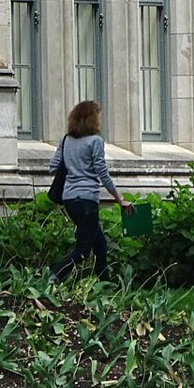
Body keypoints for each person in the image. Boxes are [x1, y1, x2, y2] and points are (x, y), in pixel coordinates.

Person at [48, 100, 134, 281]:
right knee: (83, 250)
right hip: (87, 199)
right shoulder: (95, 142)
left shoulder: (66, 140)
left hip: (70, 199)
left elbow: (53, 167)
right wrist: (119, 199)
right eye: (98, 116)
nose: (100, 120)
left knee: (100, 246)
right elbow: (103, 173)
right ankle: (54, 275)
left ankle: (106, 286)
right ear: (91, 119)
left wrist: (74, 167)